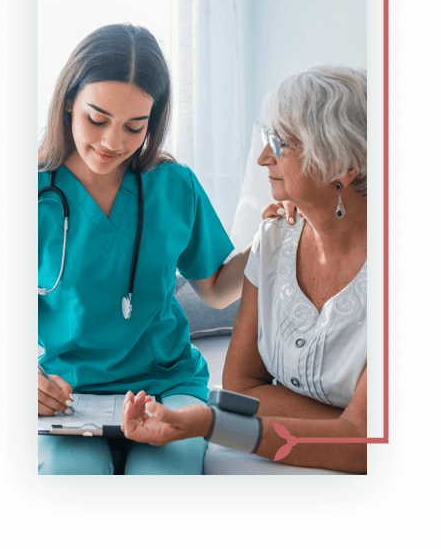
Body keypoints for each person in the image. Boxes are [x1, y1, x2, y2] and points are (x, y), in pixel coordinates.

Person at [121, 65, 368, 475]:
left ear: (342, 164)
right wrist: (345, 426)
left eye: (280, 143)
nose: (263, 157)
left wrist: (217, 423)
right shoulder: (274, 239)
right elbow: (242, 388)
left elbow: (366, 448)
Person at [38, 24, 252, 475]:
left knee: (160, 484)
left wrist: (271, 241)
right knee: (68, 479)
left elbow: (213, 290)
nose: (113, 143)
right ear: (69, 103)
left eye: (135, 127)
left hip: (166, 385)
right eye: (97, 120)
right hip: (71, 391)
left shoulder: (173, 186)